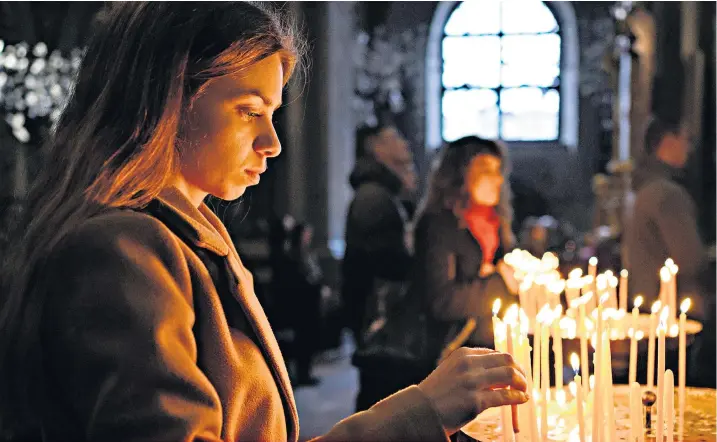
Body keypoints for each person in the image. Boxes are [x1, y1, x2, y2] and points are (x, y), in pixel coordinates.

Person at [0, 3, 529, 441]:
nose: (272, 143)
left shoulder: (183, 234)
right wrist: (420, 411)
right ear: (168, 100)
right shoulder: (119, 251)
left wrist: (421, 411)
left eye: (272, 114)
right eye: (250, 111)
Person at [413, 136, 518, 355]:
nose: (497, 180)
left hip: (490, 337)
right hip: (454, 347)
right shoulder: (438, 225)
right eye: (486, 171)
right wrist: (500, 283)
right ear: (459, 176)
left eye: (498, 171)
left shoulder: (495, 222)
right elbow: (441, 301)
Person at [624, 116, 708, 317]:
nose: (690, 148)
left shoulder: (644, 188)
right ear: (669, 140)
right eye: (686, 140)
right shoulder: (666, 194)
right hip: (675, 312)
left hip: (649, 303)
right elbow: (690, 260)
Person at [342, 124, 416, 346]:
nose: (404, 143)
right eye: (394, 137)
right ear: (375, 147)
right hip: (376, 311)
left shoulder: (383, 193)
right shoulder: (373, 196)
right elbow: (382, 259)